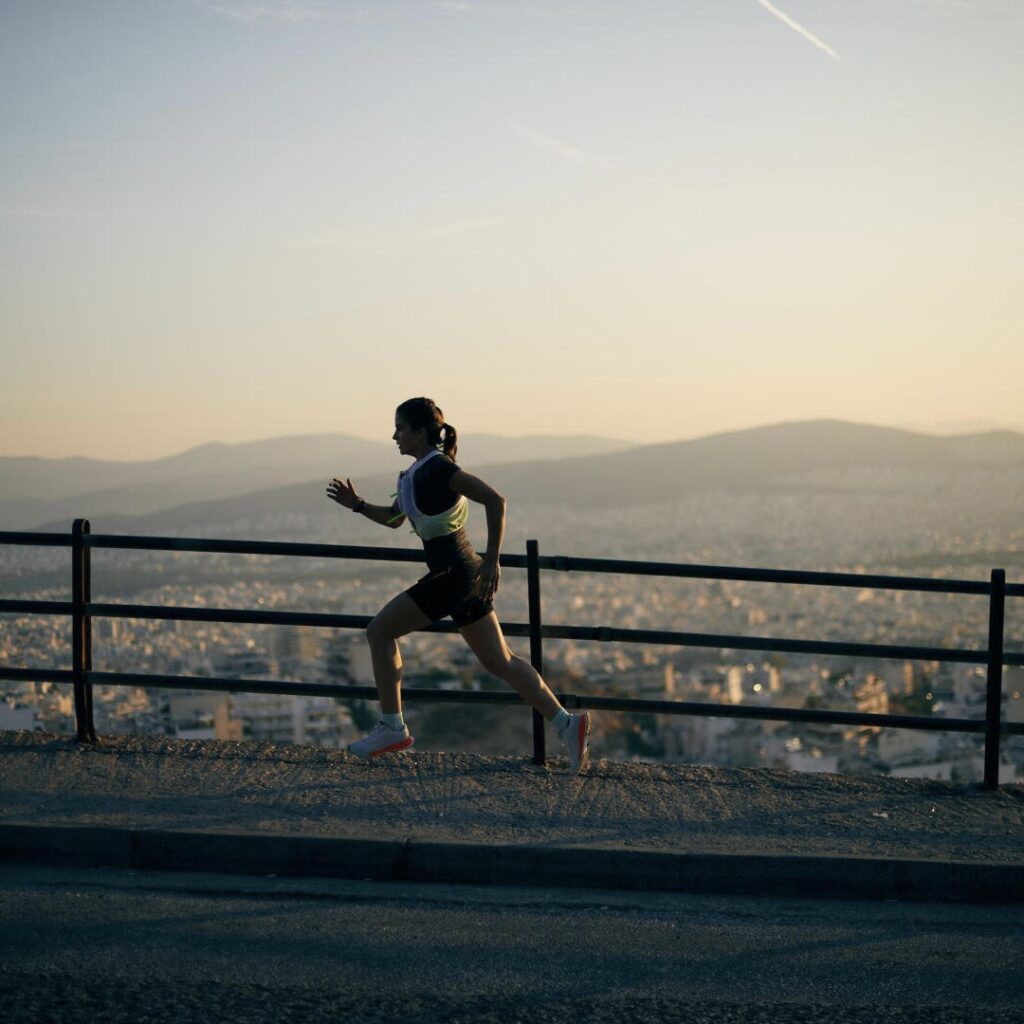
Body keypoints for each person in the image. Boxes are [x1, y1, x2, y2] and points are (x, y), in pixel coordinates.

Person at [326, 397, 591, 775]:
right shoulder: (416, 473)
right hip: (462, 575)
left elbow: (496, 500)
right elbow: (395, 520)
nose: (394, 436)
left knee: (379, 632)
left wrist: (493, 559)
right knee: (499, 661)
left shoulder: (439, 469)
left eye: (400, 428)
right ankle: (568, 723)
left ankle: (392, 727)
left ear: (420, 432)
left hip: (452, 575)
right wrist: (357, 505)